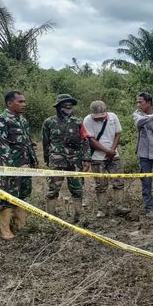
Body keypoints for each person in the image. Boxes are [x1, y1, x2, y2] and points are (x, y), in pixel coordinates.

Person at [0, 91, 38, 239]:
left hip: (25, 165)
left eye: (24, 101)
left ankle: (20, 226)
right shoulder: (1, 120)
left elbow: (28, 143)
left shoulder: (23, 120)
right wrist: (9, 169)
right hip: (11, 167)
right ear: (10, 103)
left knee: (23, 195)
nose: (24, 104)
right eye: (20, 102)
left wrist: (34, 161)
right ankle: (5, 230)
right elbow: (2, 147)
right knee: (7, 197)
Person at [42, 94, 90, 222]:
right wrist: (48, 160)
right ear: (58, 106)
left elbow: (85, 141)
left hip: (75, 161)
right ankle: (50, 219)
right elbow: (45, 143)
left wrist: (86, 159)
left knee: (77, 189)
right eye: (65, 105)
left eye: (70, 105)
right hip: (56, 161)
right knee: (53, 189)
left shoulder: (78, 122)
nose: (68, 107)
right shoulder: (49, 122)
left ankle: (78, 217)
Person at [83, 100, 130, 218]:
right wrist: (106, 151)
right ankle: (102, 209)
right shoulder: (87, 120)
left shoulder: (113, 117)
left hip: (114, 156)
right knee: (100, 184)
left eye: (101, 116)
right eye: (96, 117)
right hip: (97, 158)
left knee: (119, 181)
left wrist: (112, 150)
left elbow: (118, 134)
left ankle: (119, 206)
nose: (99, 119)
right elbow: (91, 140)